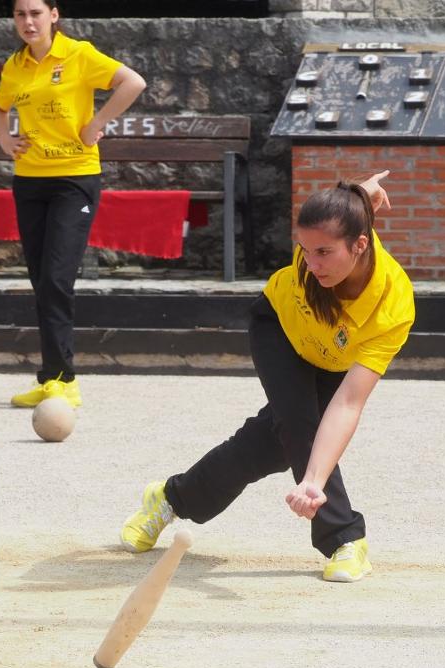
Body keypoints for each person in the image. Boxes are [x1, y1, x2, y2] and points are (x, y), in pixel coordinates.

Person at [120, 171, 413, 583]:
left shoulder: (393, 304)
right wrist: (313, 483)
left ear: (360, 244)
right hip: (278, 329)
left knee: (270, 445)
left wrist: (311, 477)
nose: (312, 264)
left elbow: (349, 402)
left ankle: (168, 497)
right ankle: (345, 539)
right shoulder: (321, 249)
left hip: (331, 358)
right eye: (305, 251)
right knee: (299, 426)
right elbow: (342, 214)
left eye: (324, 253)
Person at [0, 0, 146, 409]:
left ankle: (66, 379)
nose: (28, 21)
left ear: (53, 15)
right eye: (20, 14)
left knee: (58, 278)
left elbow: (133, 82)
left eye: (36, 13)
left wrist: (97, 123)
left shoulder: (79, 55)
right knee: (42, 281)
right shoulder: (15, 65)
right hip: (29, 182)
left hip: (74, 181)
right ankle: (50, 377)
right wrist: (5, 140)